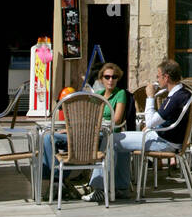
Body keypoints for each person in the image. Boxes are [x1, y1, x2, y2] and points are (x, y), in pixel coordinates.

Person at [86, 58, 192, 204]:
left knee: (111, 139)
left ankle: (99, 188)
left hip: (165, 142)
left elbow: (150, 121)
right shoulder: (183, 93)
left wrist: (150, 97)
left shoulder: (175, 97)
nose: (157, 79)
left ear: (166, 77)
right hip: (165, 137)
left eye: (159, 76)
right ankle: (121, 188)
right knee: (119, 141)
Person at [42, 63, 135, 201]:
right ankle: (57, 179)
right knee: (47, 137)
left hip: (104, 134)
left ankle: (62, 181)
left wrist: (95, 123)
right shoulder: (97, 95)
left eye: (114, 77)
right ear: (101, 79)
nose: (111, 80)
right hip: (87, 133)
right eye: (107, 77)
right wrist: (71, 129)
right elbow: (86, 117)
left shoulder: (120, 94)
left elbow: (116, 120)